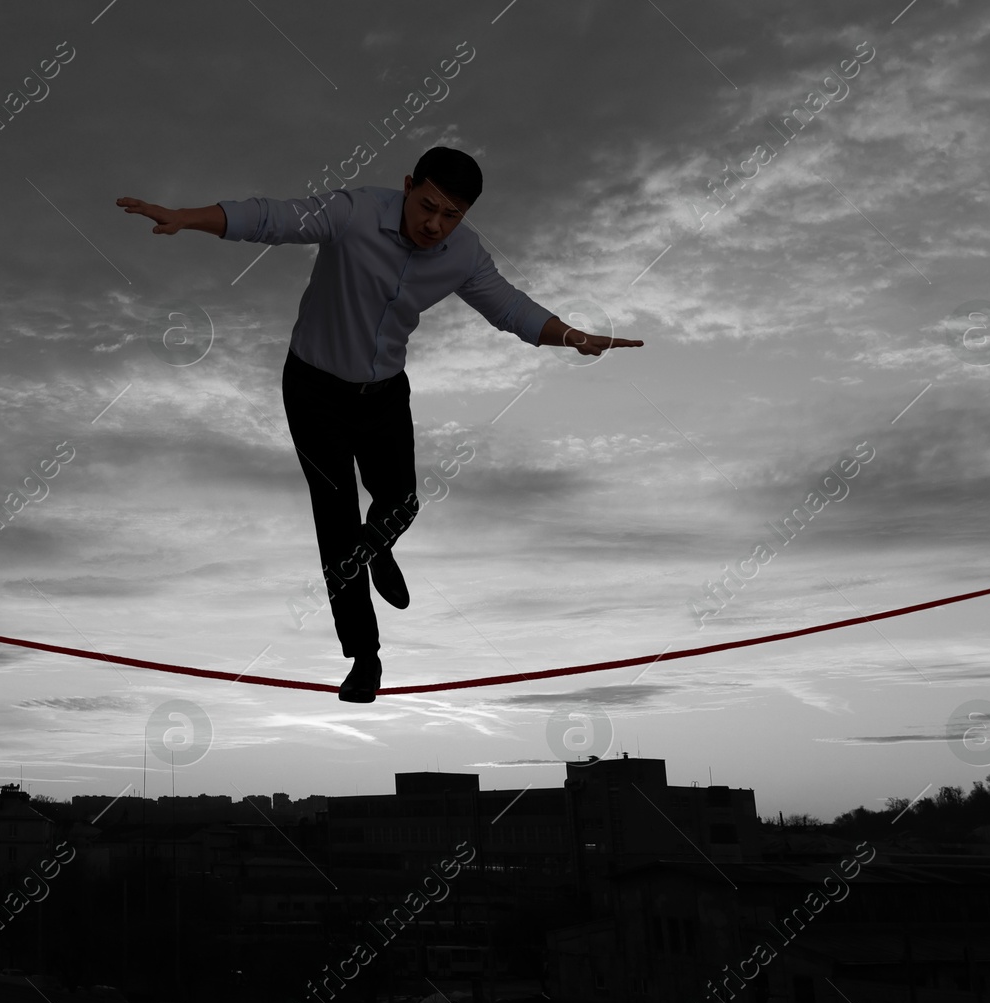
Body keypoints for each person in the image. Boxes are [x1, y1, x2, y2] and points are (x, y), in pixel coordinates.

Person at [118, 146, 641, 702]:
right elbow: (272, 218)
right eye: (428, 206)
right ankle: (364, 658)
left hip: (384, 394)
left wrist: (573, 337)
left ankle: (378, 545)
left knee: (401, 503)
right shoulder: (354, 212)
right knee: (338, 526)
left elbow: (509, 308)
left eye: (451, 216)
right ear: (408, 185)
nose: (434, 225)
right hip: (314, 391)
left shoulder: (463, 253)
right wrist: (189, 218)